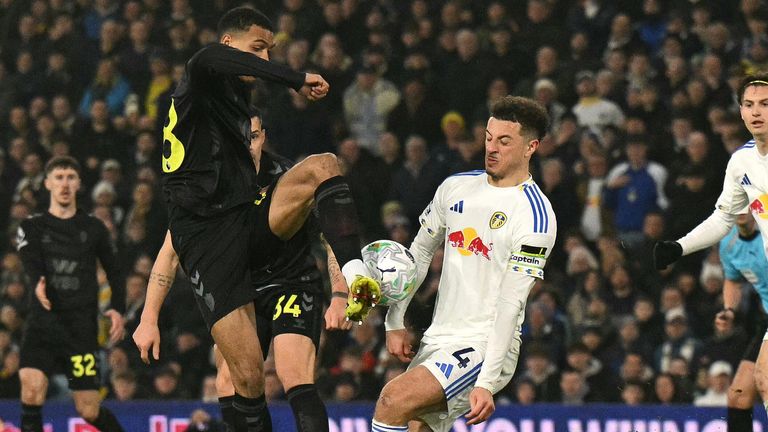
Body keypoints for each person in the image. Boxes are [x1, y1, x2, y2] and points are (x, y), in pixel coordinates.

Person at [159, 7, 379, 430]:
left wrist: (339, 286)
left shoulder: (238, 106)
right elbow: (215, 58)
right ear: (229, 44)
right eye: (257, 48)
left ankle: (358, 273)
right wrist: (295, 77)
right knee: (245, 378)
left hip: (245, 222)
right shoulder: (201, 74)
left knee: (323, 165)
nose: (263, 58)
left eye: (269, 51)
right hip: (205, 239)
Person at [135, 111, 350, 432]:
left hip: (292, 281)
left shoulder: (286, 178)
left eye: (254, 137)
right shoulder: (205, 187)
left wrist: (340, 292)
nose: (247, 146)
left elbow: (330, 236)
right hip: (239, 290)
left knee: (294, 374)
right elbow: (169, 254)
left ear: (264, 137)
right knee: (228, 380)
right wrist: (148, 318)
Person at [371, 96, 557, 431]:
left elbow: (511, 302)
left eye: (504, 141)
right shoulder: (455, 188)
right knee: (414, 427)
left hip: (483, 344)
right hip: (438, 337)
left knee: (392, 400)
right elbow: (420, 252)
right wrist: (394, 318)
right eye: (488, 138)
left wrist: (486, 381)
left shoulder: (535, 217)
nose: (492, 148)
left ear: (531, 147)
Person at [15, 156, 126, 432]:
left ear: (78, 183)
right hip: (42, 326)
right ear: (47, 183)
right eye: (59, 177)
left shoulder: (94, 228)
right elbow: (30, 260)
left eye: (70, 177)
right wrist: (37, 281)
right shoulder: (31, 226)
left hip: (80, 331)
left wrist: (117, 308)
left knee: (88, 410)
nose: (64, 184)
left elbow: (115, 271)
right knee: (31, 390)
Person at [654, 73, 768, 266]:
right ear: (742, 112)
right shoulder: (741, 161)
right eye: (749, 105)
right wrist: (681, 246)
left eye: (765, 104)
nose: (756, 112)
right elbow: (723, 219)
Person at [716, 212, 768, 431]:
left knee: (764, 380)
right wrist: (729, 309)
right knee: (739, 396)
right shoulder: (729, 244)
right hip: (765, 320)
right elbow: (732, 280)